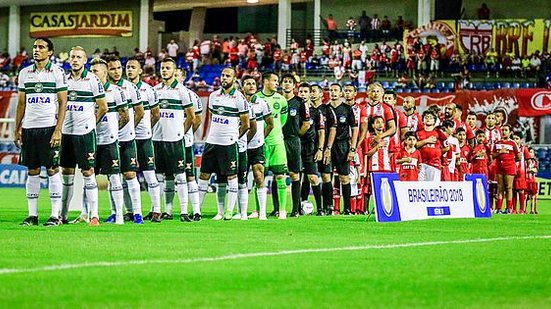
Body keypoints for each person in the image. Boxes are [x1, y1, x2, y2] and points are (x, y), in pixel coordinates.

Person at [15, 38, 68, 226]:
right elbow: (21, 103)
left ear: (50, 52)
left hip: (49, 127)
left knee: (53, 169)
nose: (36, 50)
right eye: (35, 47)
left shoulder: (57, 72)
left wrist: (58, 129)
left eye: (41, 47)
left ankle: (55, 215)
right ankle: (32, 215)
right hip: (29, 128)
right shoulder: (24, 73)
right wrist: (17, 129)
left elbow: (63, 103)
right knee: (32, 170)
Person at [59, 46, 108, 226]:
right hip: (67, 133)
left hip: (85, 133)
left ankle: (93, 215)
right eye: (72, 57)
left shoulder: (93, 79)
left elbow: (103, 106)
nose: (75, 60)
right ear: (68, 59)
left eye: (79, 57)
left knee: (88, 172)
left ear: (85, 60)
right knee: (66, 173)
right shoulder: (63, 79)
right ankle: (62, 215)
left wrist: (91, 123)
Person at [197, 67, 249, 220]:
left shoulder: (239, 98)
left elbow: (245, 124)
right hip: (212, 142)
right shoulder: (213, 96)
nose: (224, 78)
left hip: (229, 143)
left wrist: (234, 136)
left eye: (228, 76)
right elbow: (213, 117)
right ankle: (198, 210)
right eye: (223, 75)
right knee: (204, 175)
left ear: (234, 79)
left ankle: (229, 211)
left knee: (231, 177)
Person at [85, 57, 129, 224]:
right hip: (91, 139)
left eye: (96, 71)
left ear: (104, 73)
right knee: (88, 176)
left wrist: (114, 131)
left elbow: (125, 116)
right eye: (92, 71)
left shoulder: (116, 91)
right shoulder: (87, 90)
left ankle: (119, 216)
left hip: (109, 140)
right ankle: (87, 214)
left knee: (115, 177)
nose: (93, 74)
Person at [152, 58, 196, 222]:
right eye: (162, 68)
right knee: (162, 176)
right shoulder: (155, 90)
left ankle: (184, 212)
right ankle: (166, 211)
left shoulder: (182, 91)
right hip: (157, 139)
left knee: (180, 176)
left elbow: (191, 117)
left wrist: (180, 132)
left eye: (168, 68)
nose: (164, 70)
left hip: (175, 140)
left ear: (174, 70)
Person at [106, 56, 145, 223]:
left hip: (127, 138)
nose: (116, 72)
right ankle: (116, 212)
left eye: (118, 68)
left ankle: (137, 213)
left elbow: (140, 111)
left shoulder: (130, 87)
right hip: (108, 139)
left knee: (130, 174)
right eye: (112, 68)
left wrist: (128, 127)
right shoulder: (102, 88)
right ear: (106, 70)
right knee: (112, 176)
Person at [125, 57, 162, 222]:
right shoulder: (122, 89)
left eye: (133, 67)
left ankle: (156, 210)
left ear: (140, 71)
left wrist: (146, 127)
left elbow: (156, 114)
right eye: (128, 67)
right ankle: (129, 210)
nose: (130, 70)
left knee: (149, 174)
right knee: (125, 175)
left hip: (144, 138)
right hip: (126, 138)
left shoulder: (149, 90)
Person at [256, 72, 289, 219]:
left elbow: (282, 121)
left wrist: (275, 132)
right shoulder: (256, 98)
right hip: (260, 142)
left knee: (280, 176)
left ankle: (282, 210)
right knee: (259, 176)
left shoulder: (281, 100)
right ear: (265, 81)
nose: (277, 83)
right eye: (274, 80)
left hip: (277, 142)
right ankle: (259, 211)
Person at [242, 76, 273, 220]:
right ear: (243, 86)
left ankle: (262, 213)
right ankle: (241, 212)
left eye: (253, 83)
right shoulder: (237, 102)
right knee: (240, 179)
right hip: (241, 145)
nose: (251, 86)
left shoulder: (262, 103)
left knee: (259, 176)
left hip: (256, 146)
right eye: (248, 83)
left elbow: (270, 124)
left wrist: (261, 137)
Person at [280, 74, 310, 217]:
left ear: (294, 86)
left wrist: (296, 134)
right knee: (278, 173)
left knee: (294, 174)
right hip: (278, 140)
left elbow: (306, 124)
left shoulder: (299, 102)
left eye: (289, 82)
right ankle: (277, 209)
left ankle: (295, 209)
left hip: (293, 140)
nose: (287, 84)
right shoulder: (277, 100)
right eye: (285, 82)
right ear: (281, 84)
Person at [328, 83, 358, 215]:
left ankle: (347, 208)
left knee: (344, 178)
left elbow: (355, 129)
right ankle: (328, 208)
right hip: (328, 147)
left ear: (341, 93)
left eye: (336, 90)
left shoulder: (347, 109)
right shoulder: (325, 108)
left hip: (343, 145)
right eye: (331, 90)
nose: (333, 92)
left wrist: (352, 149)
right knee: (327, 177)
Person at [298, 83, 325, 215]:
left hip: (310, 147)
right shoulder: (295, 109)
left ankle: (320, 209)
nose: (302, 94)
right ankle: (298, 207)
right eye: (300, 91)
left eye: (305, 91)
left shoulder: (316, 113)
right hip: (296, 147)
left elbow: (321, 132)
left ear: (310, 94)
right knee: (297, 177)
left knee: (313, 177)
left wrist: (320, 149)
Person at [312, 84, 336, 215]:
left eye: (315, 91)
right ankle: (305, 205)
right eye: (311, 92)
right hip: (309, 148)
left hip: (324, 148)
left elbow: (333, 129)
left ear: (321, 94)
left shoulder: (328, 109)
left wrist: (328, 148)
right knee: (308, 176)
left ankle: (329, 206)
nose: (312, 94)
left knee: (326, 176)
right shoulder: (307, 109)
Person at [492, 124, 520, 214]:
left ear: (510, 132)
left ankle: (508, 208)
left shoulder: (512, 143)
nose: (503, 132)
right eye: (502, 130)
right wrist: (500, 152)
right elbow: (493, 156)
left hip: (510, 168)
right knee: (500, 188)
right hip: (499, 168)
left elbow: (519, 156)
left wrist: (510, 161)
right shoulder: (497, 143)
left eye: (506, 130)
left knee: (508, 187)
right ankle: (499, 208)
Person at [416, 110, 446, 181]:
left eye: (431, 117)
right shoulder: (417, 133)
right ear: (422, 120)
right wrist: (426, 141)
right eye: (426, 117)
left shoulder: (439, 133)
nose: (428, 119)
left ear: (434, 121)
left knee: (433, 188)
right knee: (420, 188)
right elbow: (414, 145)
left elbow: (447, 147)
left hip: (434, 165)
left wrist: (437, 153)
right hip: (421, 164)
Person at [512, 132, 531, 214]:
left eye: (517, 139)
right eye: (514, 139)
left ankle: (522, 209)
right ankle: (513, 209)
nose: (515, 140)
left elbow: (528, 160)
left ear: (520, 140)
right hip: (512, 172)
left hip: (521, 173)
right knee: (513, 191)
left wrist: (526, 168)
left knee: (521, 191)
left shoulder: (524, 149)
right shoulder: (510, 149)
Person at [525, 148, 538, 214]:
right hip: (526, 181)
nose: (531, 153)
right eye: (530, 152)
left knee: (533, 196)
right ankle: (524, 210)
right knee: (525, 196)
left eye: (532, 152)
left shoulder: (535, 162)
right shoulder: (524, 161)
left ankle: (532, 210)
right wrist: (531, 170)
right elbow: (525, 170)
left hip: (533, 181)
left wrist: (530, 170)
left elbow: (535, 170)